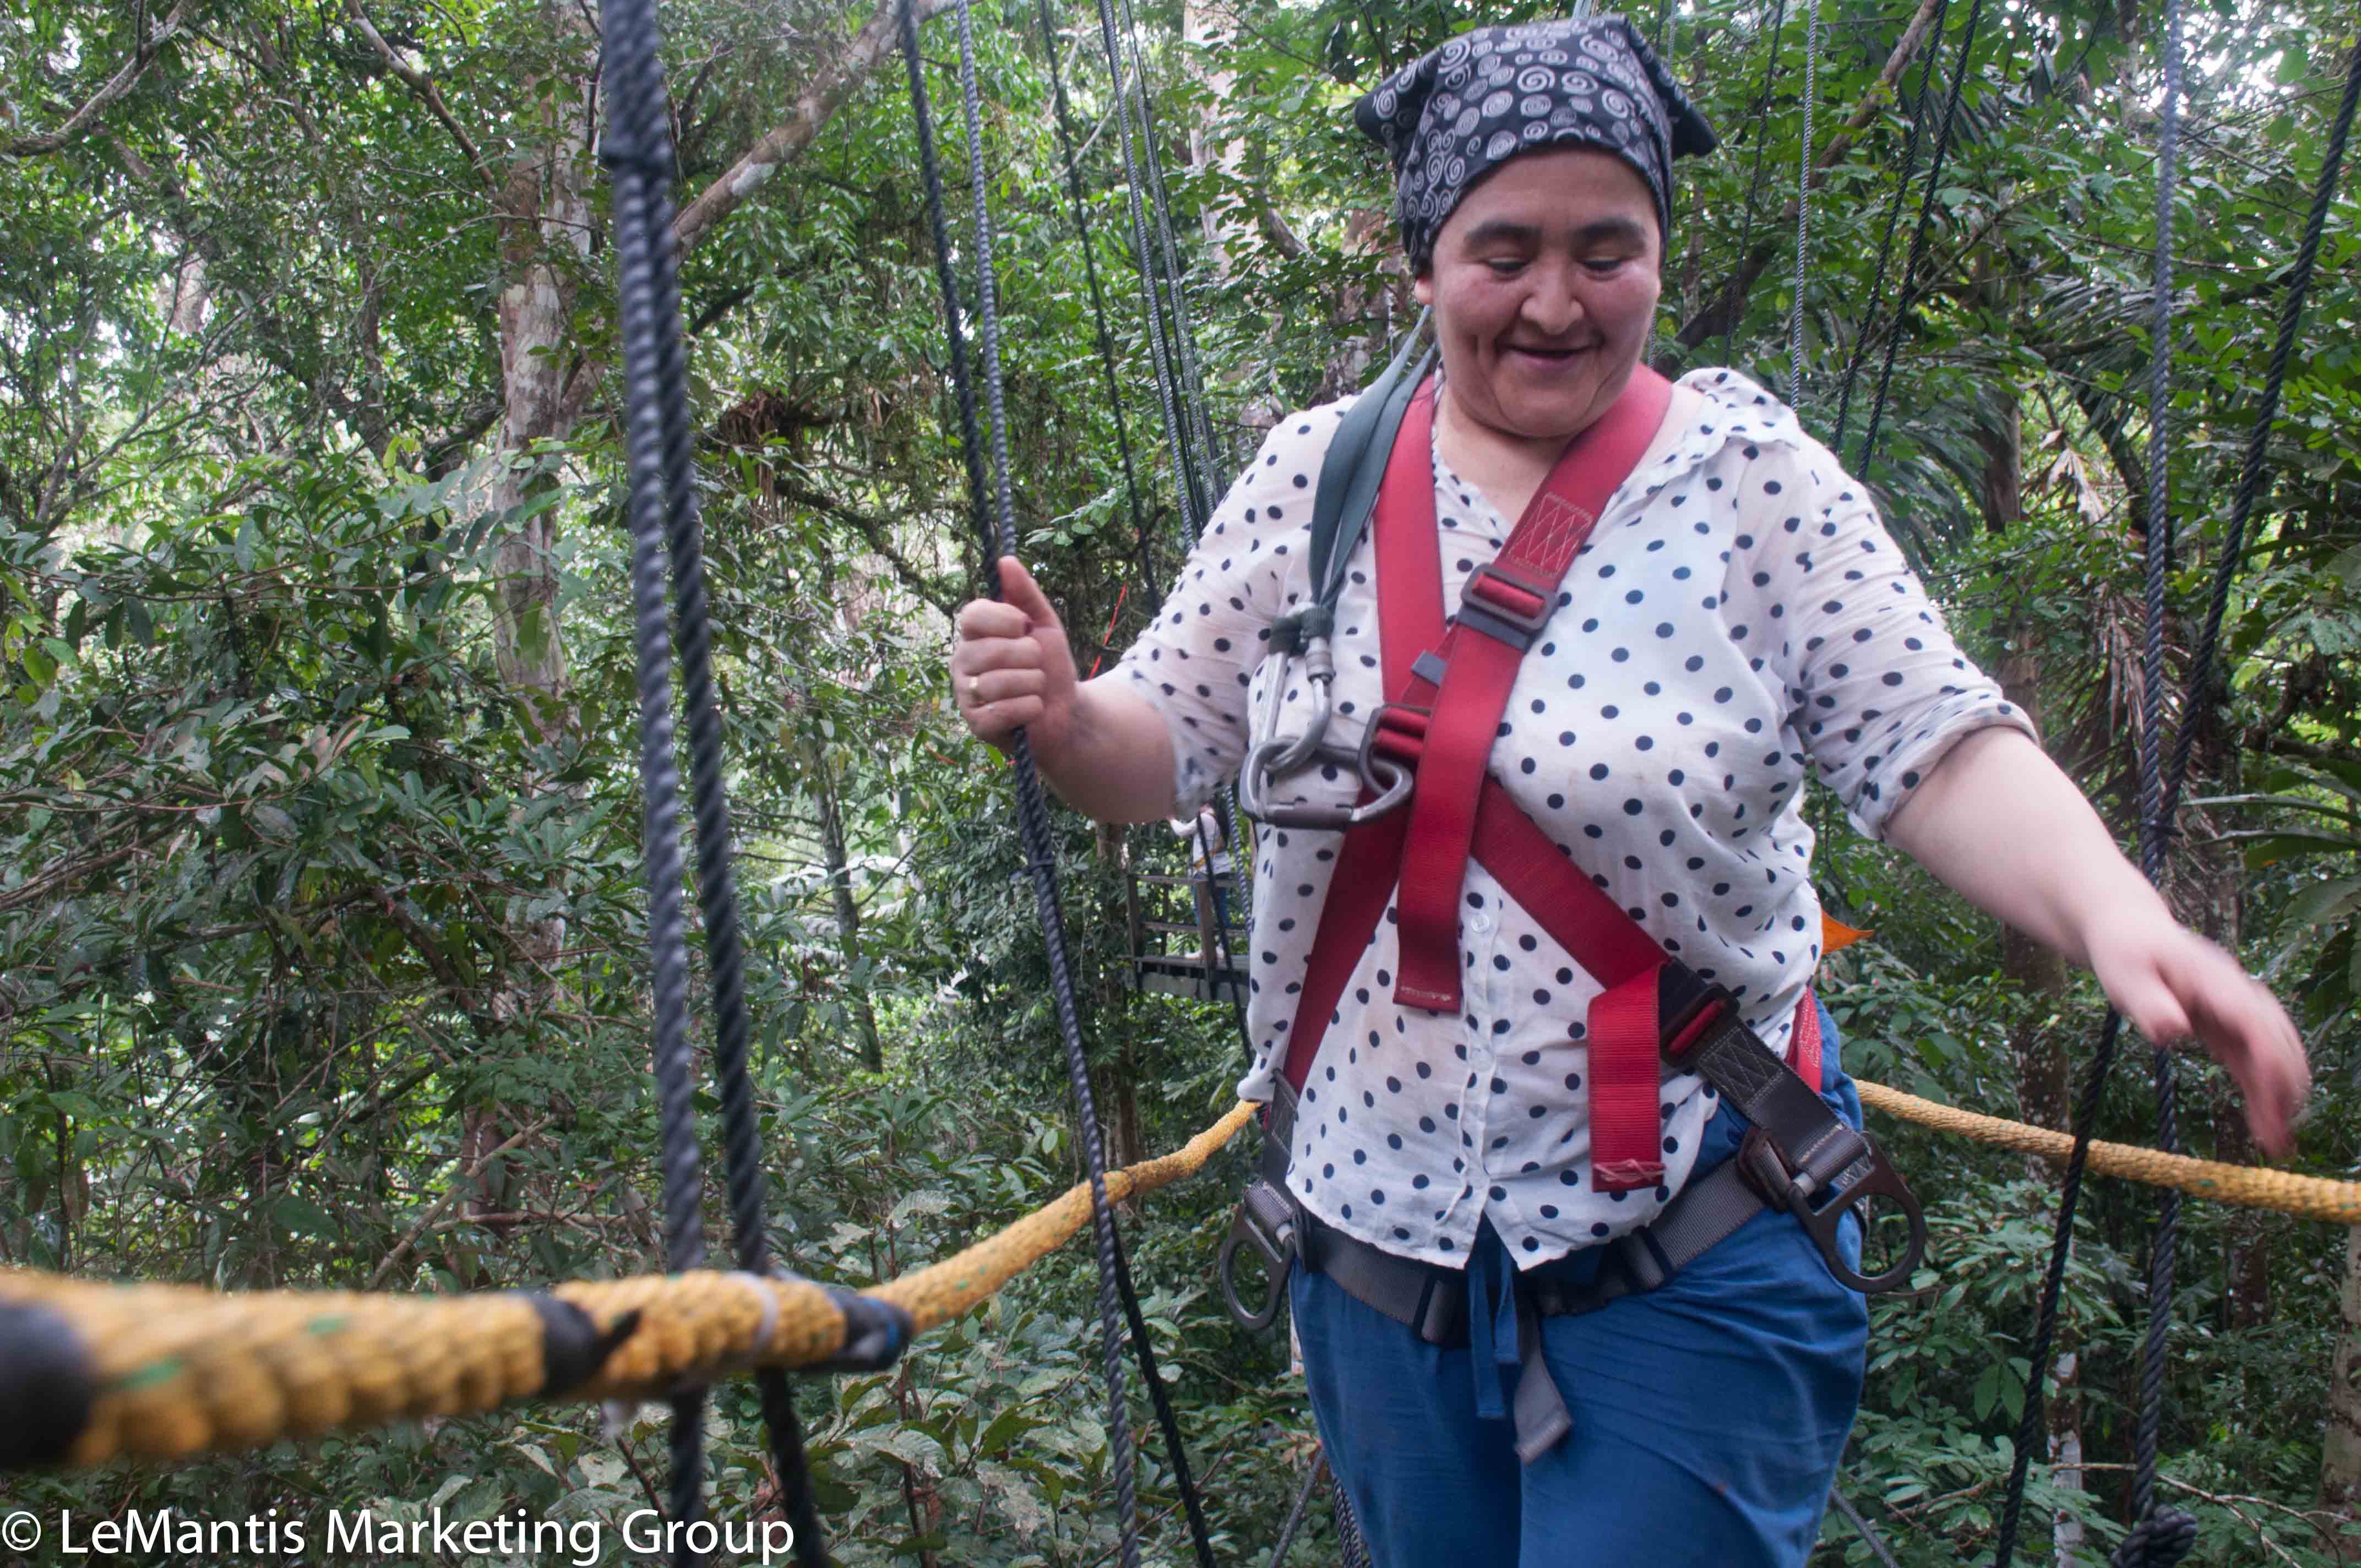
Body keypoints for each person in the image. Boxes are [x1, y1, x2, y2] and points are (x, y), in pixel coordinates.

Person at [946, 15, 2308, 1565]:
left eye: (1607, 248)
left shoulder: (1750, 482)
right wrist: (1062, 718)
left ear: (1659, 257)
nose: (1553, 299)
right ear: (1422, 261)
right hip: (1378, 1254)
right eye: (1503, 249)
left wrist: (2122, 920)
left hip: (1695, 1231)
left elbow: (1937, 743)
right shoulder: (1314, 483)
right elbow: (1159, 745)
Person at [1170, 803, 1236, 963]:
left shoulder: (1205, 818)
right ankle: (1222, 947)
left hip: (1204, 870)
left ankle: (1207, 948)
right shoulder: (1220, 818)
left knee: (1200, 908)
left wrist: (1170, 819)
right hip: (1221, 868)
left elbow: (1183, 832)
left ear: (1205, 804)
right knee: (1220, 906)